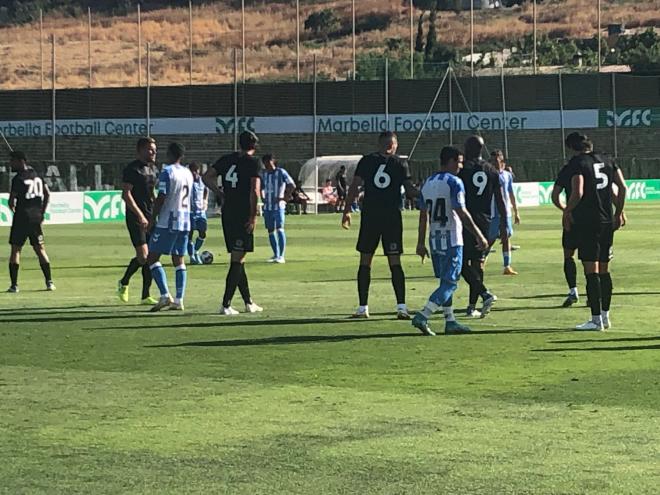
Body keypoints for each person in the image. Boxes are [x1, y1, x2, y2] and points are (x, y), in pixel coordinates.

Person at [412, 146, 488, 336]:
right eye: (460, 162)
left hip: (434, 239)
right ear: (452, 161)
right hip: (452, 239)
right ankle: (423, 315)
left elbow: (423, 216)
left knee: (444, 281)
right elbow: (461, 212)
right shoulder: (455, 182)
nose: (461, 166)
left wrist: (420, 243)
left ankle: (450, 321)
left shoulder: (428, 182)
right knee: (450, 283)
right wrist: (479, 234)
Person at [341, 131, 418, 320]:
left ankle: (363, 308)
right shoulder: (400, 163)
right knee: (395, 262)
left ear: (379, 144)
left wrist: (347, 210)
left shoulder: (366, 161)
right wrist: (425, 195)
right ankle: (401, 307)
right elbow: (409, 191)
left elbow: (354, 186)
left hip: (370, 217)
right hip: (391, 217)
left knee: (365, 261)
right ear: (393, 145)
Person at [562, 134, 626, 331]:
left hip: (588, 222)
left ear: (573, 148)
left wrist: (567, 211)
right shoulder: (607, 160)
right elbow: (622, 188)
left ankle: (595, 320)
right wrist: (619, 212)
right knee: (605, 270)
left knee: (591, 270)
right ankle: (606, 317)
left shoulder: (578, 163)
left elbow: (578, 192)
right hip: (607, 221)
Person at [203, 130, 263, 315]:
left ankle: (248, 302)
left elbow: (206, 177)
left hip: (227, 212)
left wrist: (220, 192)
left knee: (239, 256)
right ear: (255, 145)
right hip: (242, 213)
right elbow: (254, 190)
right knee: (237, 259)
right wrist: (253, 216)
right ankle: (226, 304)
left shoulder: (227, 159)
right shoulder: (254, 162)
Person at [458, 135, 506, 318]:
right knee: (478, 263)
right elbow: (500, 200)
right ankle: (472, 306)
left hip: (466, 220)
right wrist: (502, 223)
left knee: (461, 262)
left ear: (469, 148)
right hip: (485, 220)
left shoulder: (463, 170)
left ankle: (483, 293)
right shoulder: (491, 170)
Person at [146, 143, 193, 312]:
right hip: (185, 220)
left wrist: (153, 218)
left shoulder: (168, 172)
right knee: (178, 260)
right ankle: (179, 299)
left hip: (168, 221)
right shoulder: (188, 173)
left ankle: (165, 295)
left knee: (152, 257)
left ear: (170, 154)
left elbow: (162, 195)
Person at [6, 151, 55, 292]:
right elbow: (47, 194)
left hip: (22, 217)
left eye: (13, 161)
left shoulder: (17, 179)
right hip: (36, 218)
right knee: (40, 249)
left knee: (15, 250)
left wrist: (15, 210)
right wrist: (42, 212)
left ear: (21, 161)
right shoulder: (37, 175)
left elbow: (11, 201)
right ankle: (49, 282)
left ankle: (14, 285)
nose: (11, 164)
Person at [117, 137, 157, 305]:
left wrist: (155, 213)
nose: (154, 152)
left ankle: (145, 295)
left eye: (155, 149)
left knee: (151, 256)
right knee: (143, 256)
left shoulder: (153, 169)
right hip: (135, 217)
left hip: (150, 216)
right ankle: (124, 282)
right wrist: (140, 215)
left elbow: (152, 192)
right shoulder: (131, 169)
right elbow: (126, 195)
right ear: (140, 150)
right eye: (150, 149)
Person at [488, 149, 521, 275]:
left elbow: (511, 193)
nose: (494, 163)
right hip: (492, 213)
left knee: (506, 238)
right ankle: (481, 261)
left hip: (506, 212)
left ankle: (507, 266)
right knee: (490, 240)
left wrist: (516, 211)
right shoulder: (488, 175)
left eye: (496, 161)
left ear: (502, 161)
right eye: (492, 161)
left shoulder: (507, 175)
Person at [261, 154, 295, 263]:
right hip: (267, 206)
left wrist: (285, 198)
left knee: (280, 228)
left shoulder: (281, 172)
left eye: (268, 163)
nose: (267, 166)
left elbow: (292, 185)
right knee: (270, 230)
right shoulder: (264, 174)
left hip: (278, 206)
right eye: (265, 164)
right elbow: (261, 186)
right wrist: (262, 196)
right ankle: (275, 255)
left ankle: (282, 256)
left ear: (273, 161)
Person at [187, 162, 208, 265]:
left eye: (196, 171)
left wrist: (205, 200)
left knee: (203, 233)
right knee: (189, 235)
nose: (194, 173)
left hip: (201, 212)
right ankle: (192, 257)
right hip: (190, 212)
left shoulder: (202, 181)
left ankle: (196, 251)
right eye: (192, 171)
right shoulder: (187, 181)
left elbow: (206, 190)